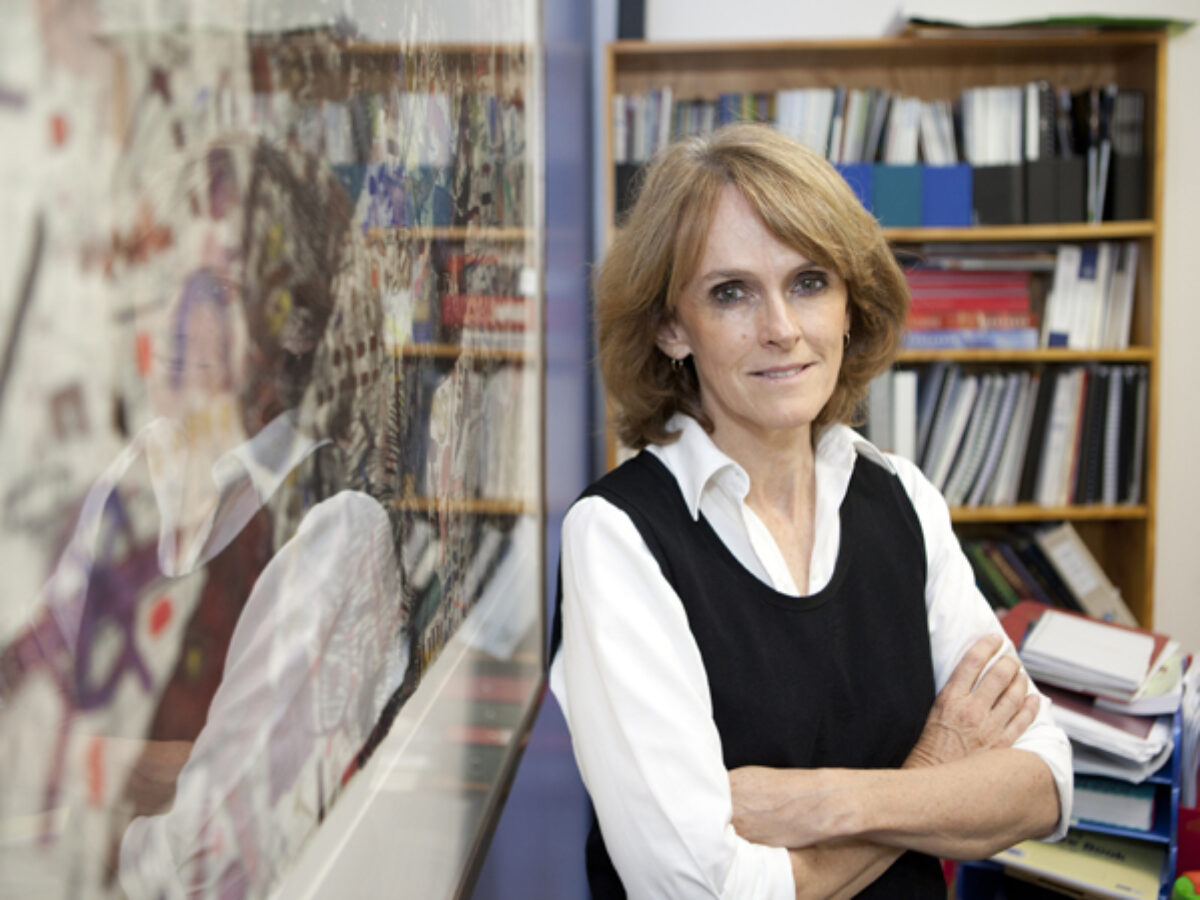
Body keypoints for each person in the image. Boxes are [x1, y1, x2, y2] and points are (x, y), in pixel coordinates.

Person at [548, 123, 1072, 899]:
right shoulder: (618, 537)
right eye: (731, 292)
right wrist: (936, 775)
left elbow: (1044, 782)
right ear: (671, 327)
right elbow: (704, 891)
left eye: (809, 282)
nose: (782, 330)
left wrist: (825, 803)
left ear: (851, 303)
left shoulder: (902, 498)